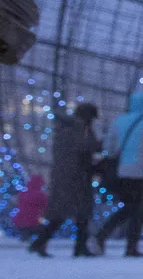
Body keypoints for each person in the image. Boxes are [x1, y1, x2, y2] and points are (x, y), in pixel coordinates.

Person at [96, 90, 143, 258]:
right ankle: (127, 244)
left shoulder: (119, 120)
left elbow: (109, 146)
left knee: (130, 206)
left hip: (121, 171)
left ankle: (105, 235)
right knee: (137, 209)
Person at [27, 103, 101, 258]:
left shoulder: (65, 128)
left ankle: (42, 242)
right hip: (76, 177)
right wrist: (101, 144)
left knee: (64, 214)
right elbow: (85, 147)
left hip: (65, 176)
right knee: (79, 213)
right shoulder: (78, 129)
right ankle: (75, 246)